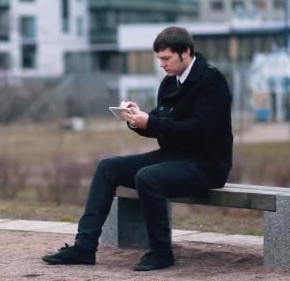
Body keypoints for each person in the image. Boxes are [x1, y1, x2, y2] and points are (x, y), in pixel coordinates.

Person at [41, 26, 233, 271]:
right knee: (108, 167)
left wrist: (151, 121)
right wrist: (136, 120)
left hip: (207, 164)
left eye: (166, 58)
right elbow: (160, 126)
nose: (162, 65)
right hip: (173, 158)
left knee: (148, 177)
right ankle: (84, 247)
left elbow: (200, 129)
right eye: (159, 59)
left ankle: (162, 253)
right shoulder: (169, 82)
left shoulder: (211, 80)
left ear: (185, 52)